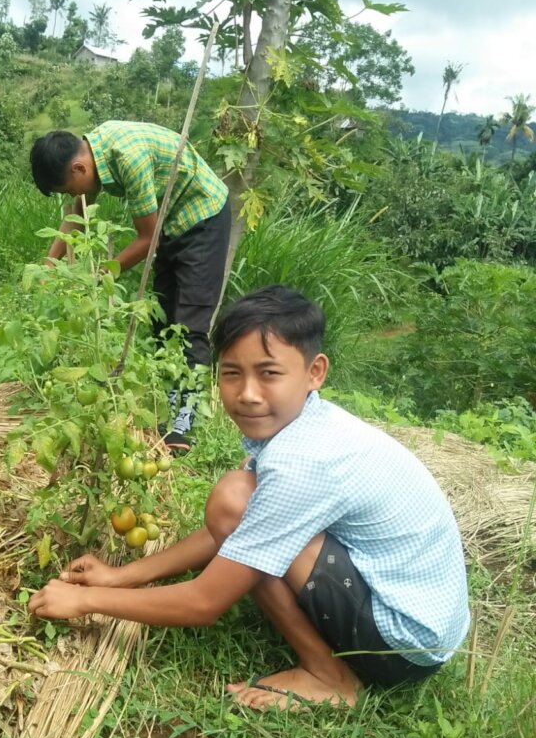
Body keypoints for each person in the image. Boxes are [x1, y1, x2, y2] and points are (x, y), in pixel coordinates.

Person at [29, 285, 470, 709]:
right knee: (237, 499)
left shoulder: (303, 462)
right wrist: (121, 576)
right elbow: (242, 526)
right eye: (231, 373)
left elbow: (204, 602)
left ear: (315, 372)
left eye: (269, 373)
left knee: (233, 498)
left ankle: (329, 677)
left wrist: (86, 600)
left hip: (400, 647)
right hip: (422, 623)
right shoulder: (310, 423)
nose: (248, 394)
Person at [29, 120, 231, 454]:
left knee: (189, 321)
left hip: (203, 215)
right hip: (173, 219)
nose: (73, 195)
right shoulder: (91, 152)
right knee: (161, 316)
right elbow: (77, 210)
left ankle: (184, 422)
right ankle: (166, 399)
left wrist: (102, 277)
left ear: (79, 168)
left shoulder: (128, 158)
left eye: (68, 187)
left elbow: (146, 239)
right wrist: (51, 262)